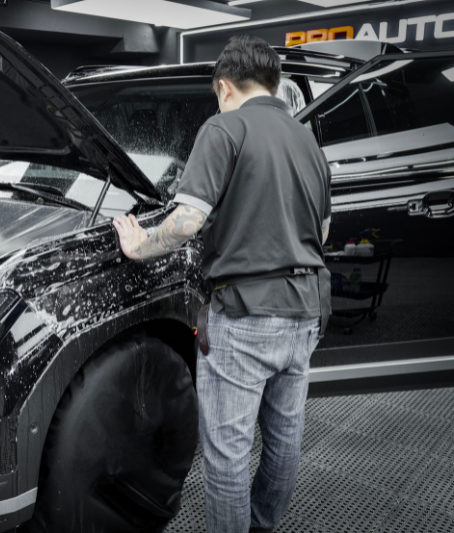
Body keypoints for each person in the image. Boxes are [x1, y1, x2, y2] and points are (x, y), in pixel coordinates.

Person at [113, 35, 331, 533]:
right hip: (304, 312)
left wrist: (139, 244)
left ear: (224, 88)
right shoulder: (309, 143)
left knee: (228, 453)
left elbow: (187, 222)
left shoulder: (223, 127)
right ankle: (261, 524)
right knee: (285, 438)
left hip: (244, 314)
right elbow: (322, 233)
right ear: (274, 84)